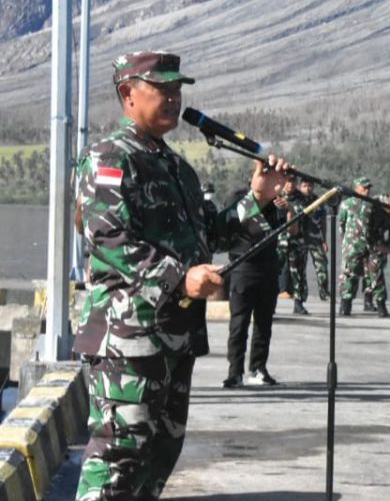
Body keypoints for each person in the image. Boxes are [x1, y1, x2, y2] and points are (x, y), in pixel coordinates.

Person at [74, 50, 288, 500]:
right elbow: (109, 239)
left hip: (173, 338)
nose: (173, 98)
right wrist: (180, 278)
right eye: (161, 89)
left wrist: (258, 198)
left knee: (157, 461)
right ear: (127, 94)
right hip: (126, 339)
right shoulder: (111, 157)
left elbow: (208, 232)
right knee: (117, 462)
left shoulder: (178, 168)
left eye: (177, 90)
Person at [224, 181, 288, 388]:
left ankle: (258, 368)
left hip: (268, 269)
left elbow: (290, 231)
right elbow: (239, 223)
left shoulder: (275, 203)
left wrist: (288, 208)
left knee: (264, 323)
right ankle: (235, 372)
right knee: (239, 324)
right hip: (244, 268)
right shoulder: (239, 197)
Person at [337, 177, 375, 316]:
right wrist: (346, 242)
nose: (366, 191)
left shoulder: (372, 205)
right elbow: (341, 224)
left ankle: (368, 302)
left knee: (369, 275)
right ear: (356, 188)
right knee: (349, 275)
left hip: (369, 245)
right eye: (364, 188)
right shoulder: (347, 204)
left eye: (368, 188)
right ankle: (345, 305)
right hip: (352, 246)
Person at [363, 193, 390, 318]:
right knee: (359, 271)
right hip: (361, 239)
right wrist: (375, 246)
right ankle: (365, 301)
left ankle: (379, 303)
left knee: (377, 270)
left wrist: (389, 246)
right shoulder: (372, 207)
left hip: (378, 241)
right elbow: (365, 230)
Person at [278, 178, 310, 315]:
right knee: (273, 271)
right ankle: (268, 304)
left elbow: (304, 216)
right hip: (279, 241)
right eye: (287, 181)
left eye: (292, 181)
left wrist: (290, 208)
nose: (289, 184)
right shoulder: (276, 195)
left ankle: (298, 303)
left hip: (297, 241)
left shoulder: (302, 198)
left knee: (298, 273)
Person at [295, 178, 330, 302]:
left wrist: (324, 240)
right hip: (300, 239)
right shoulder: (296, 200)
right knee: (300, 269)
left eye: (310, 186)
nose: (307, 188)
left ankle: (324, 292)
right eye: (304, 186)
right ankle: (301, 295)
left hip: (316, 239)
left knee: (322, 266)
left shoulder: (318, 201)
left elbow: (323, 221)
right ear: (299, 187)